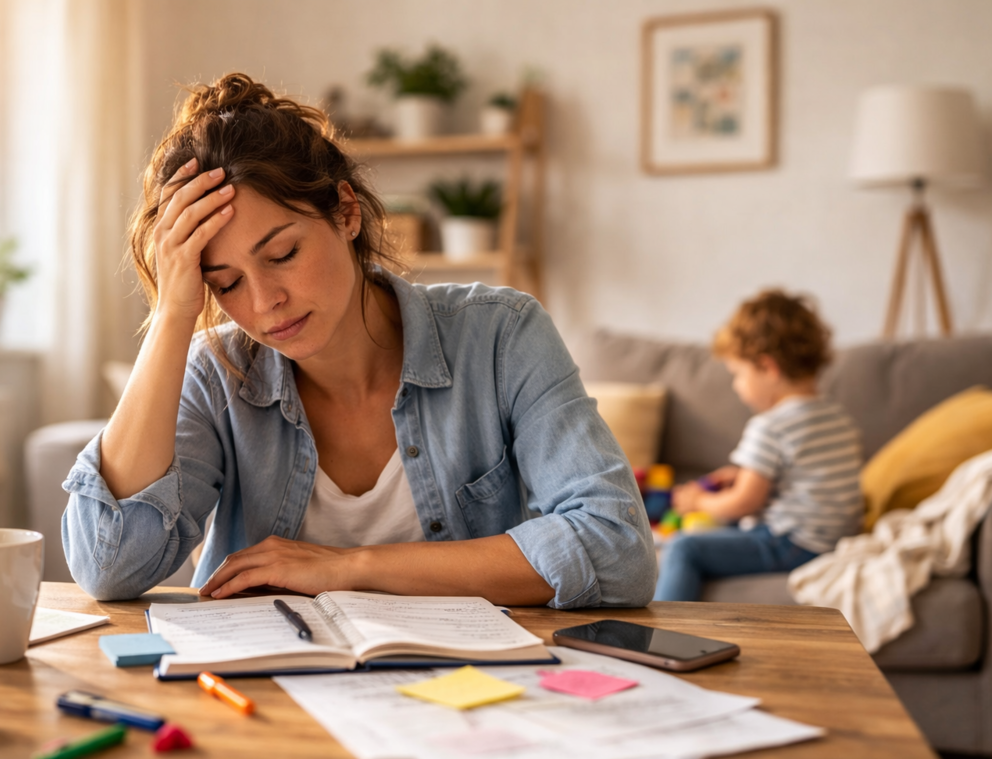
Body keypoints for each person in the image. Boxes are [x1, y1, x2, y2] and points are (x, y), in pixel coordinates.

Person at [61, 73, 655, 608]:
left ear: (346, 213)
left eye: (283, 254)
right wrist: (171, 315)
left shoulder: (500, 334)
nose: (265, 302)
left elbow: (617, 545)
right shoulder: (216, 374)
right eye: (227, 282)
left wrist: (350, 568)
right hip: (266, 700)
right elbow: (108, 568)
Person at [653, 290, 863, 602]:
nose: (737, 387)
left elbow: (744, 503)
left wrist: (699, 501)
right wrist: (744, 474)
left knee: (685, 547)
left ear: (768, 367)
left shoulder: (770, 426)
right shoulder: (836, 415)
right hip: (835, 539)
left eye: (738, 374)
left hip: (794, 544)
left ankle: (661, 634)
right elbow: (804, 476)